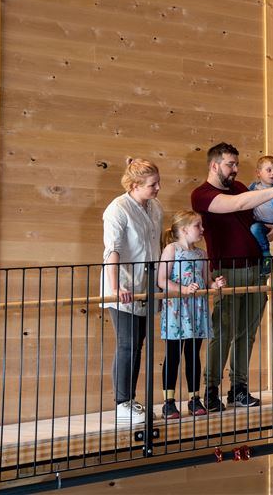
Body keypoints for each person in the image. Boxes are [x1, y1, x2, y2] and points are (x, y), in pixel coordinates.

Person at [191, 142, 273, 411]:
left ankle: (239, 388)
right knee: (222, 331)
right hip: (227, 272)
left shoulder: (240, 186)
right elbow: (238, 204)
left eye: (236, 164)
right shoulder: (202, 194)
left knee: (248, 332)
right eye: (230, 164)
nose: (235, 169)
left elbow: (253, 220)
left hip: (256, 269)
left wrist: (272, 233)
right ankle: (211, 390)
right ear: (214, 165)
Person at [101, 158, 163, 425]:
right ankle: (121, 403)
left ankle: (130, 401)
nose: (158, 187)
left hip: (147, 286)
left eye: (158, 182)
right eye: (153, 184)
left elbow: (155, 243)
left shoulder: (155, 206)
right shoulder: (117, 209)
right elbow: (112, 250)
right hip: (123, 285)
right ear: (135, 185)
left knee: (138, 345)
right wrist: (115, 287)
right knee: (127, 345)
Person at [156, 210, 226, 419]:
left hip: (196, 310)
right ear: (185, 229)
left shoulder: (201, 254)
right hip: (177, 309)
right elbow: (162, 280)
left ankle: (194, 399)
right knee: (174, 355)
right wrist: (183, 289)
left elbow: (206, 281)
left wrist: (216, 284)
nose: (202, 230)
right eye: (198, 226)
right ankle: (168, 402)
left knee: (193, 355)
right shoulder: (172, 250)